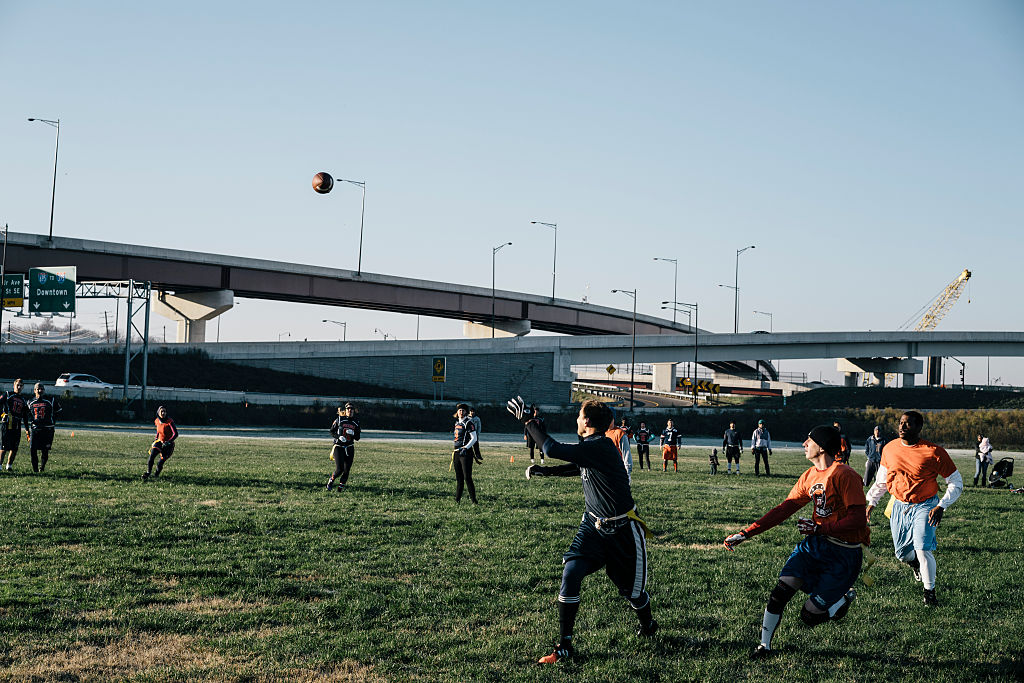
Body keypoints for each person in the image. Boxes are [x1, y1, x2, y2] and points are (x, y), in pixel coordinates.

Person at [508, 396, 657, 664]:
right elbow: (579, 465)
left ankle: (648, 626)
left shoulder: (601, 445)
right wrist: (548, 473)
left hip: (623, 530)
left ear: (587, 421)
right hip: (592, 526)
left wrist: (529, 422)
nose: (577, 419)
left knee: (633, 593)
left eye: (579, 415)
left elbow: (551, 447)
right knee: (571, 572)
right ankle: (564, 645)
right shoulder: (591, 445)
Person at [724, 425, 868, 657]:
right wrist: (747, 533)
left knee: (809, 617)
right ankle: (765, 646)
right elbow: (783, 510)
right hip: (815, 546)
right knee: (780, 592)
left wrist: (821, 528)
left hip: (844, 554)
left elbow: (859, 520)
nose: (804, 444)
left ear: (821, 447)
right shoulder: (809, 476)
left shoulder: (845, 475)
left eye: (808, 441)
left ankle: (840, 602)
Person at [865, 411, 962, 607]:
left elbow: (956, 482)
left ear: (919, 428)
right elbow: (882, 480)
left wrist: (941, 505)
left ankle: (929, 592)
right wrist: (871, 503)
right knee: (902, 554)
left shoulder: (934, 452)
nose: (902, 427)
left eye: (908, 424)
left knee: (922, 548)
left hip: (926, 505)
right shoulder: (890, 448)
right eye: (901, 423)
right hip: (899, 505)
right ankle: (915, 564)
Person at [25, 383, 62, 474]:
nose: (40, 391)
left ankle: (42, 467)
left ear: (44, 390)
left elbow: (59, 410)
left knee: (45, 450)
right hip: (35, 429)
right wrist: (30, 423)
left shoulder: (50, 400)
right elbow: (26, 414)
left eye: (42, 389)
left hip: (47, 429)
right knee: (33, 449)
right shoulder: (30, 401)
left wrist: (53, 421)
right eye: (38, 389)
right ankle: (35, 470)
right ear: (34, 391)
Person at [326, 403, 361, 491]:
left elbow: (358, 437)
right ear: (345, 410)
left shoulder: (356, 422)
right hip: (339, 446)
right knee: (339, 469)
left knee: (346, 470)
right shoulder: (339, 419)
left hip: (349, 447)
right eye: (348, 409)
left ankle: (340, 489)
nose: (350, 410)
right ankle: (331, 480)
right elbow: (331, 432)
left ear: (354, 411)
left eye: (351, 409)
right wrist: (338, 437)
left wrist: (353, 434)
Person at [452, 403, 480, 504]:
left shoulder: (468, 423)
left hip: (465, 453)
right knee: (459, 478)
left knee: (467, 477)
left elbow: (474, 438)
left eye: (463, 410)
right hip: (456, 452)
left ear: (466, 412)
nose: (461, 412)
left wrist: (466, 447)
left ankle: (474, 500)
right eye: (459, 410)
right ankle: (457, 500)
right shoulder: (456, 423)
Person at [143, 406, 179, 480]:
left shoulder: (169, 421)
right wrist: (156, 439)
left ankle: (156, 475)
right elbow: (158, 431)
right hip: (159, 441)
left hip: (168, 445)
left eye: (164, 411)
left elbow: (175, 434)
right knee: (151, 456)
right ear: (158, 413)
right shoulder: (157, 421)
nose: (163, 413)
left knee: (160, 462)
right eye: (161, 411)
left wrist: (169, 442)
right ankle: (148, 473)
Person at [1, 379, 29, 472]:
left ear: (23, 387)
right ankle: (0, 465)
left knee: (14, 447)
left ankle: (9, 465)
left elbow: (25, 415)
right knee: (4, 447)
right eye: (17, 385)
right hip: (7, 423)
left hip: (16, 425)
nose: (19, 387)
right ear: (14, 385)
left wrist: (27, 429)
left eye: (21, 385)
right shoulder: (8, 394)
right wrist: (2, 414)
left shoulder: (23, 400)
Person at [606, 417, 633, 483]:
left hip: (617, 470)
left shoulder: (619, 433)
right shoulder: (601, 433)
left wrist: (627, 473)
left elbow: (626, 454)